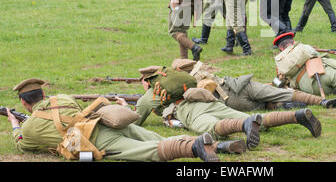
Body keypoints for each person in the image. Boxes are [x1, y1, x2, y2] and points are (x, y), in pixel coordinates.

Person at [4, 78, 223, 162]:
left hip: (95, 141)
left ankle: (195, 148)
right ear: (43, 95)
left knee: (148, 150)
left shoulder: (30, 127)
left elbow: (23, 144)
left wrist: (16, 124)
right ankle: (216, 145)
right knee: (152, 137)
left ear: (24, 103)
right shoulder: (62, 98)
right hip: (107, 121)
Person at [134, 67, 323, 151]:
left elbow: (134, 121)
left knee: (212, 129)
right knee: (257, 119)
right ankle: (296, 116)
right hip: (210, 101)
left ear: (147, 81)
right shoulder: (174, 80)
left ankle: (245, 125)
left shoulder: (149, 96)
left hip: (189, 111)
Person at [171, 58, 336, 111]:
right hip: (240, 86)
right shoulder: (201, 71)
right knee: (285, 93)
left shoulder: (181, 87)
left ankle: (282, 105)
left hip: (232, 106)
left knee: (266, 103)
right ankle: (322, 102)